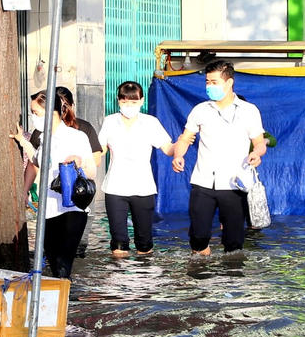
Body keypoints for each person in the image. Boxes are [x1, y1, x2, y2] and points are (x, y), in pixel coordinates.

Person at [171, 61, 266, 256]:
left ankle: (230, 278)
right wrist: (178, 155)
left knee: (233, 240)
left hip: (235, 183)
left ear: (229, 82)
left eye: (214, 82)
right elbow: (185, 138)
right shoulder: (200, 110)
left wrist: (257, 153)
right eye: (207, 82)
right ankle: (201, 271)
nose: (209, 86)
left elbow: (260, 142)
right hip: (203, 181)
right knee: (197, 235)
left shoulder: (249, 110)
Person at [12, 91, 96, 279]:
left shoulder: (76, 136)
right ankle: (62, 301)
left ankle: (69, 304)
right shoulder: (43, 138)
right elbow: (37, 161)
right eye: (32, 113)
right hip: (48, 210)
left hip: (72, 209)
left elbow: (92, 171)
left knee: (63, 264)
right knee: (53, 263)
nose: (33, 117)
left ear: (52, 112)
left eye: (36, 113)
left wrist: (78, 161)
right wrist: (22, 141)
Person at [97, 81, 174, 257]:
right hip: (115, 187)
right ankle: (118, 280)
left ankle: (144, 279)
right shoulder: (110, 121)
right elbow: (101, 149)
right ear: (118, 101)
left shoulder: (150, 122)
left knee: (144, 242)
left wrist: (181, 146)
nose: (128, 106)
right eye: (124, 102)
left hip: (143, 187)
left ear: (141, 101)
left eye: (133, 102)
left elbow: (167, 147)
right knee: (118, 241)